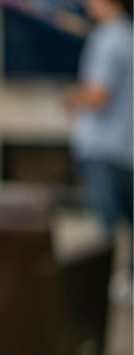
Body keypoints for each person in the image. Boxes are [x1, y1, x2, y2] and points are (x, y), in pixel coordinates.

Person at [65, 0, 132, 254]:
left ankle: (108, 288)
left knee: (107, 237)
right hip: (127, 151)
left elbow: (98, 96)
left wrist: (72, 99)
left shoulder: (106, 37)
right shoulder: (128, 34)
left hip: (102, 150)